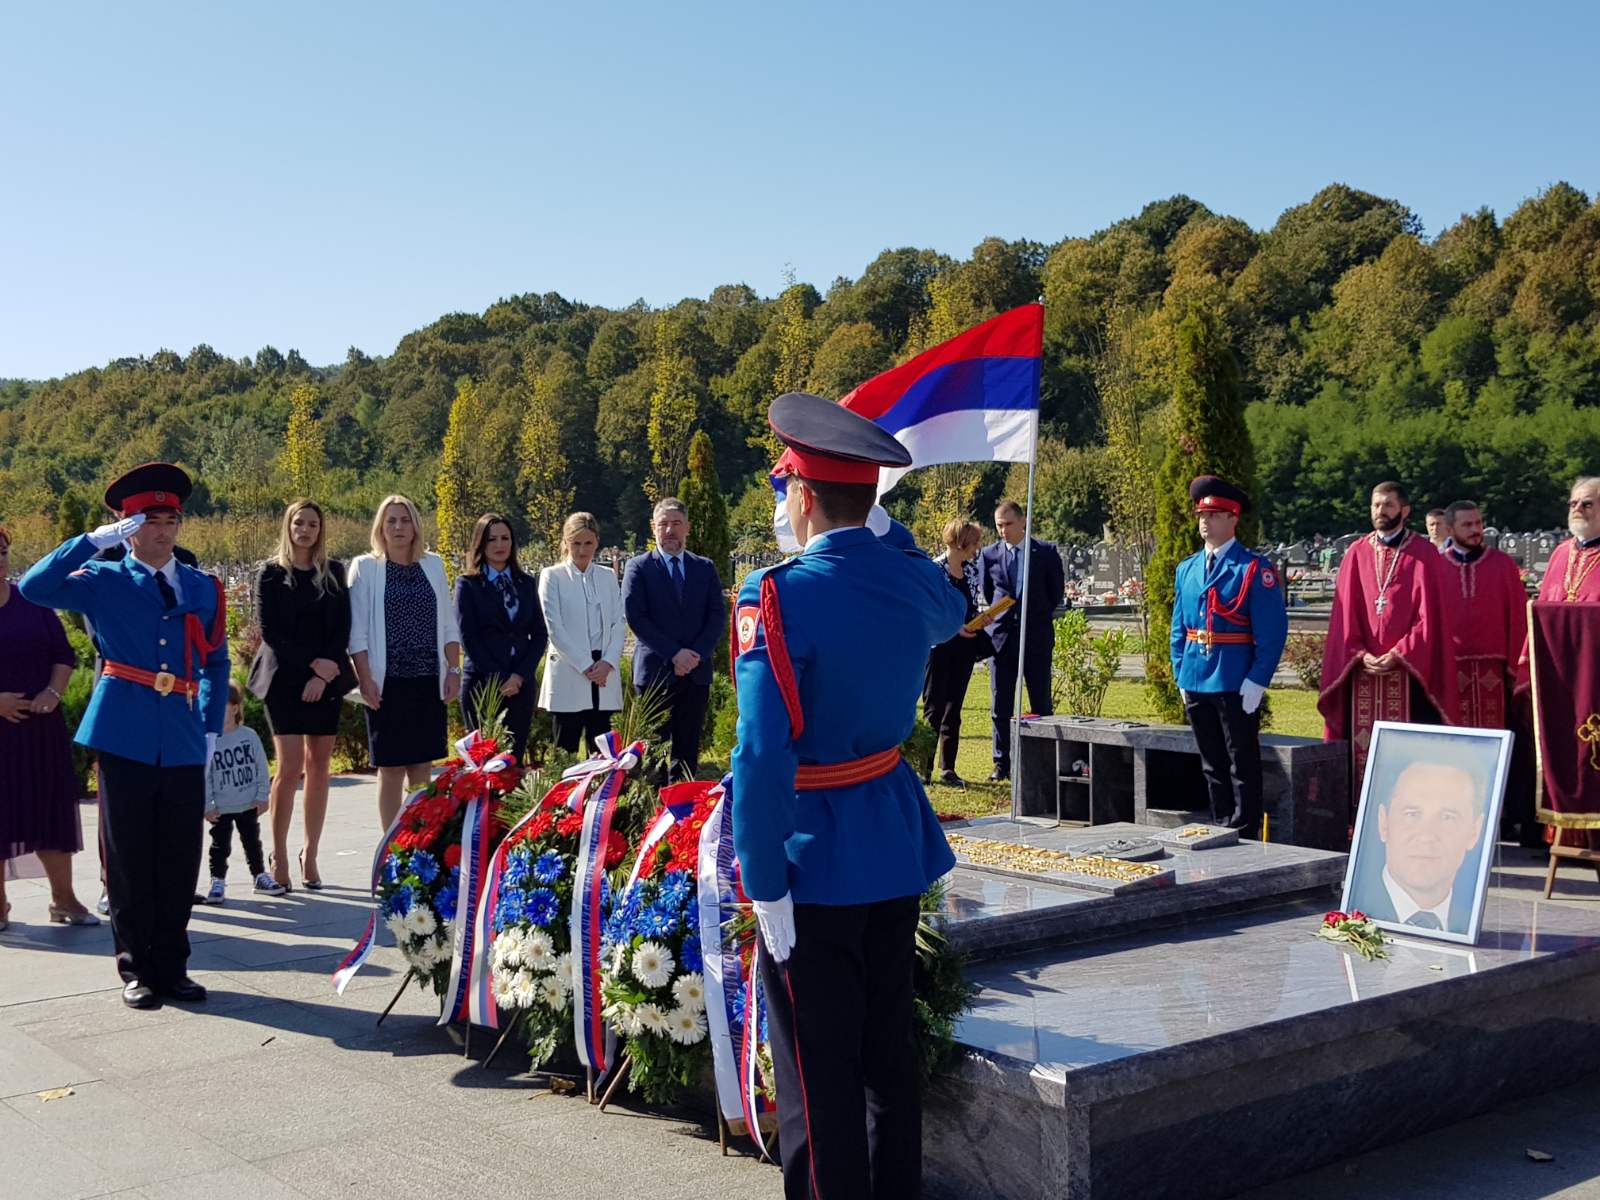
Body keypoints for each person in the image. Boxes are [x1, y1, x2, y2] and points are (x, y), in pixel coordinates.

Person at [732, 392, 966, 1200]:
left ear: (799, 496)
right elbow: (952, 608)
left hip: (810, 859)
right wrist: (883, 531)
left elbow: (760, 752)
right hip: (890, 843)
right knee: (886, 1060)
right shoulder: (908, 581)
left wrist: (763, 880)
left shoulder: (775, 594)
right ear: (871, 499)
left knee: (816, 1080)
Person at [20, 463, 228, 1008]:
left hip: (182, 735)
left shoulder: (202, 586)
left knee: (180, 857)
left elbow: (216, 662)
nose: (162, 531)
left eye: (169, 520)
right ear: (127, 528)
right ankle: (136, 968)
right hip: (123, 732)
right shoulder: (103, 579)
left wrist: (210, 732)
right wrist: (92, 541)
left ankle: (174, 967)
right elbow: (36, 587)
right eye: (148, 521)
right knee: (129, 856)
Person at [1318, 482, 1457, 804]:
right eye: (1376, 505)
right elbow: (1344, 616)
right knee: (1357, 748)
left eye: (1388, 505)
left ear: (1404, 510)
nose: (1380, 511)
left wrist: (1400, 653)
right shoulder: (1356, 553)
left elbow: (1430, 617)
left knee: (1411, 751)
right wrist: (1358, 652)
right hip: (1361, 671)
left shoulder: (1423, 553)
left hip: (1410, 672)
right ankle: (1357, 815)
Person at [1168, 477, 1288, 835]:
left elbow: (1272, 631)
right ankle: (1220, 825)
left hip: (1235, 679)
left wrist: (1258, 679)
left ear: (1233, 518)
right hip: (1196, 677)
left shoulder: (1253, 569)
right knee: (1211, 762)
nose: (1205, 521)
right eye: (1201, 515)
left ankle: (1245, 832)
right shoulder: (1187, 568)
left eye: (1214, 514)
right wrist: (1180, 672)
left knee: (1242, 762)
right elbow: (1179, 628)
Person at [0, 523, 97, 932]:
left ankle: (64, 900)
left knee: (51, 814)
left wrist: (53, 693)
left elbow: (63, 654)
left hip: (40, 730)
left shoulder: (32, 598)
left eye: (2, 551)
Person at [348, 495, 462, 830]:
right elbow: (357, 632)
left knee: (422, 767)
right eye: (391, 520)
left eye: (405, 520)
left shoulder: (434, 564)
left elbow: (448, 624)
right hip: (386, 683)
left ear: (415, 526)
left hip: (427, 679)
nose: (399, 527)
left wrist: (453, 669)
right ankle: (392, 846)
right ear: (381, 527)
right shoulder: (365, 567)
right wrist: (365, 679)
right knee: (391, 768)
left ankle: (419, 841)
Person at [254, 499, 351, 890]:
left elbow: (342, 629)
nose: (305, 530)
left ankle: (310, 854)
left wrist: (324, 674)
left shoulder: (335, 573)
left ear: (320, 530)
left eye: (312, 524)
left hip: (326, 677)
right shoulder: (270, 574)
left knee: (320, 766)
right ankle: (278, 854)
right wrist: (313, 665)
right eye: (299, 523)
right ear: (288, 526)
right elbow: (271, 633)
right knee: (290, 767)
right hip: (283, 678)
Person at [1515, 476, 1600, 853]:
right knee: (1556, 748)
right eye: (1573, 503)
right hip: (1558, 677)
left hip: (1594, 678)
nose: (1578, 509)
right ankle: (1557, 834)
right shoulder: (1561, 554)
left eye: (1587, 503)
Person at [622, 498, 725, 780]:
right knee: (653, 753)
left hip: (695, 673)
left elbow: (717, 616)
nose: (670, 530)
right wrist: (675, 654)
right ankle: (652, 806)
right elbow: (637, 618)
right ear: (653, 527)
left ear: (687, 527)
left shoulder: (704, 568)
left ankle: (681, 806)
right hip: (655, 674)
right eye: (663, 524)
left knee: (687, 749)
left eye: (676, 523)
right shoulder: (638, 568)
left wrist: (695, 655)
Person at [1346, 752, 1489, 933]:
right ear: (1383, 823)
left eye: (1447, 817)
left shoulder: (1470, 918)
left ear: (1474, 831)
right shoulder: (1358, 905)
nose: (1426, 836)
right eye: (1412, 814)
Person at [978, 499, 1065, 782]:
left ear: (1023, 521)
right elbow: (988, 590)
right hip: (1002, 641)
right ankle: (1001, 763)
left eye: (1008, 524)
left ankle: (1043, 762)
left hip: (1036, 638)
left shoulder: (1046, 552)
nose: (1003, 530)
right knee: (1000, 704)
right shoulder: (989, 555)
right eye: (999, 525)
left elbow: (1055, 592)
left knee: (1040, 702)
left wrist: (1034, 614)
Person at [454, 513, 547, 762]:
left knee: (513, 763)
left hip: (521, 685)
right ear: (480, 543)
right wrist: (500, 678)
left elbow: (539, 634)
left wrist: (519, 675)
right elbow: (469, 638)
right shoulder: (468, 584)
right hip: (483, 685)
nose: (499, 544)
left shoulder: (525, 583)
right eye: (491, 539)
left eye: (505, 538)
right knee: (483, 766)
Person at [537, 512, 625, 754]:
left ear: (597, 542)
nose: (582, 550)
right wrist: (586, 666)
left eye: (588, 543)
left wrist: (608, 662)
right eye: (576, 543)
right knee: (565, 750)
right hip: (570, 670)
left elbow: (618, 623)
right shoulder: (552, 576)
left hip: (604, 672)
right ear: (566, 542)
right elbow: (554, 627)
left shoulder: (607, 577)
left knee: (602, 752)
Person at [923, 518, 989, 787]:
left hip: (964, 647)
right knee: (934, 707)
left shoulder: (971, 571)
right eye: (973, 543)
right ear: (961, 542)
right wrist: (954, 627)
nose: (976, 548)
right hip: (940, 646)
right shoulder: (934, 570)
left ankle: (948, 768)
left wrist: (981, 619)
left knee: (954, 708)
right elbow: (929, 610)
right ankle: (924, 768)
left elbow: (970, 605)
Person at [201, 683, 280, 903]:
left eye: (222, 706)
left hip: (248, 803)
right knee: (219, 846)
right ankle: (217, 881)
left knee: (252, 842)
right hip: (221, 808)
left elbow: (261, 767)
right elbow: (206, 776)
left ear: (235, 708)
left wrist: (262, 795)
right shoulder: (210, 741)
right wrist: (207, 805)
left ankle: (259, 875)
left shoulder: (249, 736)